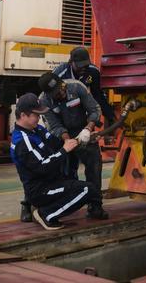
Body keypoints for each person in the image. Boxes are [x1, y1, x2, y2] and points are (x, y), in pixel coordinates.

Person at [10, 92, 100, 230]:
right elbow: (42, 167)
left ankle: (46, 209)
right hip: (40, 190)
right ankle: (46, 214)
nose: (38, 118)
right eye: (36, 115)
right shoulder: (23, 141)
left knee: (83, 186)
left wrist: (83, 139)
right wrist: (64, 151)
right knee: (87, 190)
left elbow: (56, 143)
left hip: (51, 182)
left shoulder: (36, 129)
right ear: (23, 115)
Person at [38, 69, 110, 220]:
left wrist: (87, 129)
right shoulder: (43, 101)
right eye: (56, 94)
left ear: (63, 84)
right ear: (49, 94)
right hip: (61, 137)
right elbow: (54, 126)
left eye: (61, 89)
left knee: (94, 166)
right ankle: (67, 204)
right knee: (64, 172)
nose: (61, 94)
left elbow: (94, 110)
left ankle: (95, 206)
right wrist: (67, 141)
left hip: (83, 130)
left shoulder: (77, 87)